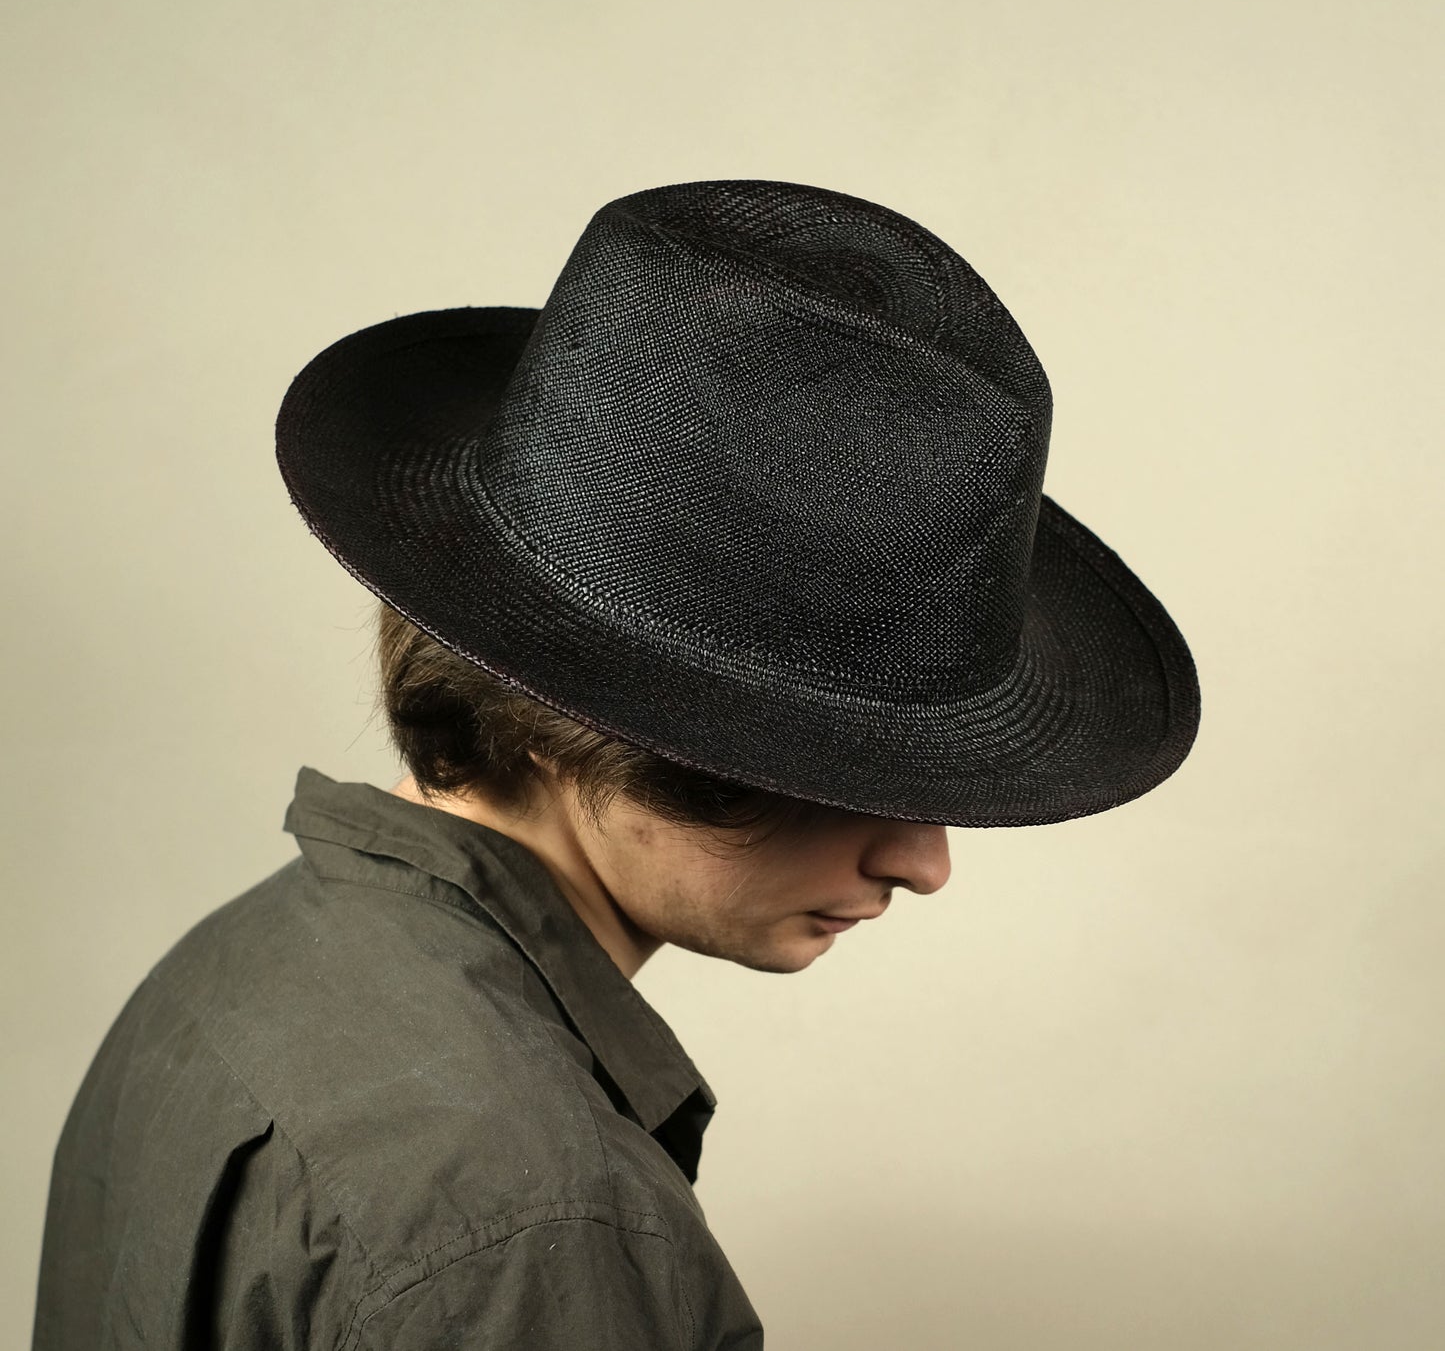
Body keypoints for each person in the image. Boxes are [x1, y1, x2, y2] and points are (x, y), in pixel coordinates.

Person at [32, 178, 1200, 1348]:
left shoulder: (236, 971)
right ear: (567, 719)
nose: (922, 862)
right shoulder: (533, 1212)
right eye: (842, 769)